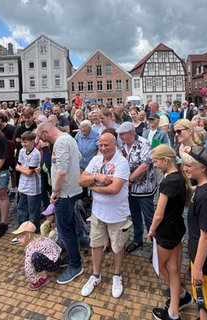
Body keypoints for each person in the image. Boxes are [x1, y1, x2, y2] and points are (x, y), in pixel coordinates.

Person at [78, 132, 130, 299]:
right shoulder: (96, 160)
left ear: (115, 144)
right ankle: (96, 275)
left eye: (106, 144)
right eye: (100, 145)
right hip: (98, 212)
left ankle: (117, 275)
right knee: (96, 244)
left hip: (117, 214)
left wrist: (93, 187)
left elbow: (114, 189)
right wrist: (96, 177)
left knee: (117, 246)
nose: (103, 148)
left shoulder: (121, 162)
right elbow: (81, 180)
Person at [149, 144, 193, 320]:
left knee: (161, 267)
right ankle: (175, 308)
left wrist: (151, 230)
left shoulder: (168, 182)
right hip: (177, 229)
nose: (155, 165)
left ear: (166, 160)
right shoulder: (179, 177)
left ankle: (180, 296)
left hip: (166, 232)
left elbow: (159, 214)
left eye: (156, 161)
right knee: (173, 269)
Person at [36, 122, 83, 285]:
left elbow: (61, 171)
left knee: (65, 231)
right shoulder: (68, 139)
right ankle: (72, 257)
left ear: (46, 132)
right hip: (69, 191)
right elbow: (78, 158)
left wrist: (55, 191)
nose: (42, 141)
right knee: (68, 228)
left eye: (42, 137)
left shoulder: (61, 142)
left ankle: (75, 265)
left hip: (64, 193)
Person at [181, 145, 207, 320]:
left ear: (203, 168)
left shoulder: (205, 197)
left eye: (189, 166)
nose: (185, 169)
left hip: (205, 262)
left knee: (205, 306)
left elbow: (206, 235)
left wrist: (197, 268)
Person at [118, 122, 157, 253]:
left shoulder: (143, 143)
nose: (120, 136)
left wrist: (130, 179)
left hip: (144, 189)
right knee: (135, 216)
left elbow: (145, 165)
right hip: (130, 191)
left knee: (149, 217)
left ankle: (155, 246)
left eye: (122, 134)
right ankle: (137, 240)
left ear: (132, 133)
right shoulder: (123, 146)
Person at [13, 221, 63, 290]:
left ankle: (44, 278)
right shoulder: (40, 237)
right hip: (58, 259)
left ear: (27, 236)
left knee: (35, 257)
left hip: (53, 266)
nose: (18, 239)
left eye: (20, 237)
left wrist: (34, 280)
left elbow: (27, 267)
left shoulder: (31, 246)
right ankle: (44, 271)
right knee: (36, 256)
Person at [15, 131, 42, 230]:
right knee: (21, 208)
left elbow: (29, 173)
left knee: (33, 211)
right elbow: (18, 166)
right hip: (22, 185)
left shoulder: (36, 154)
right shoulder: (22, 151)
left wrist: (21, 169)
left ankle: (34, 231)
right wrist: (24, 169)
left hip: (33, 188)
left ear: (32, 142)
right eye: (22, 142)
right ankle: (22, 229)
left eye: (25, 142)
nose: (23, 144)